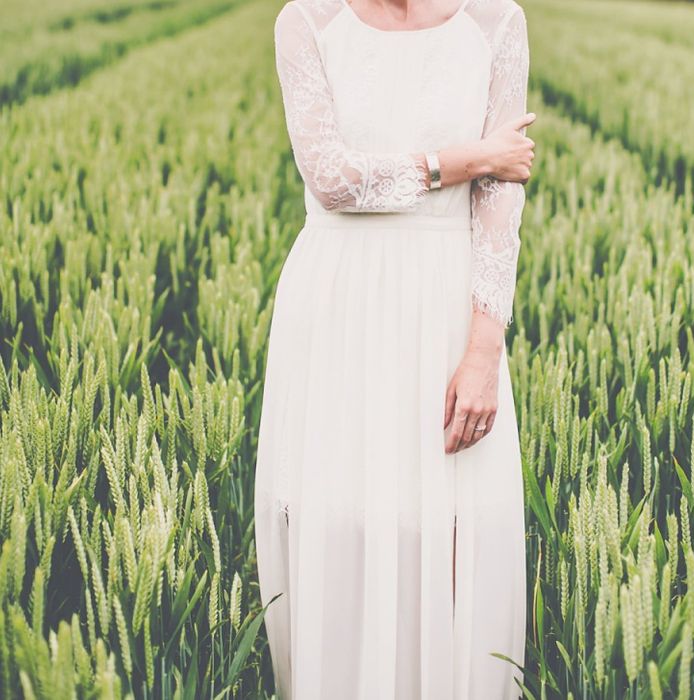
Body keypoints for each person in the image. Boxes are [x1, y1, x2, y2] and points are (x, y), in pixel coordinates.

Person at [254, 0, 535, 696]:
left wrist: (484, 349)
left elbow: (502, 196)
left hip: (447, 300)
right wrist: (470, 157)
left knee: (449, 519)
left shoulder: (497, 23)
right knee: (341, 514)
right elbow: (333, 180)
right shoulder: (306, 23)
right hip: (338, 303)